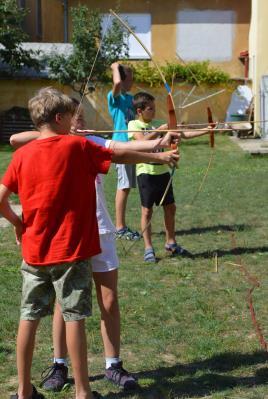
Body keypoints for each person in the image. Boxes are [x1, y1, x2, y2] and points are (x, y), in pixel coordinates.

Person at [5, 88, 179, 399]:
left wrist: (19, 224)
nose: (77, 121)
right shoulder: (77, 146)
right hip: (70, 250)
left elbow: (2, 196)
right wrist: (160, 155)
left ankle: (22, 392)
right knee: (74, 317)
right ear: (60, 119)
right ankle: (82, 391)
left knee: (28, 316)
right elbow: (119, 155)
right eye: (72, 116)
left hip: (35, 252)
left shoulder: (26, 155)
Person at [128, 91, 213, 263]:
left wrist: (208, 130)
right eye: (150, 109)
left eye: (154, 108)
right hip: (146, 172)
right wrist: (158, 131)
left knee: (170, 207)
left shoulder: (159, 123)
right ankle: (148, 248)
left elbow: (183, 134)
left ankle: (171, 242)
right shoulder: (133, 125)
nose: (153, 112)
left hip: (163, 172)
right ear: (140, 111)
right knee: (147, 211)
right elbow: (141, 143)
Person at [107, 62, 139, 240]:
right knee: (124, 186)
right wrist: (115, 67)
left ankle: (121, 226)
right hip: (120, 146)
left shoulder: (131, 99)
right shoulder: (114, 98)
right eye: (129, 79)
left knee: (127, 186)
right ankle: (119, 227)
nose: (131, 82)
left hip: (132, 145)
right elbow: (117, 84)